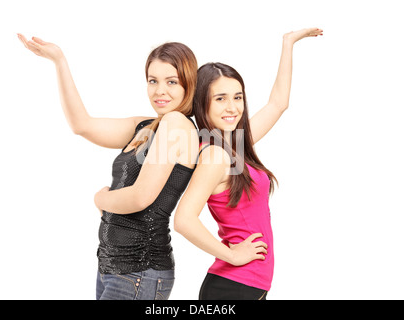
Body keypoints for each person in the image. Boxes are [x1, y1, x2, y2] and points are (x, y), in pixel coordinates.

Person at [17, 35, 200, 300]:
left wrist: (100, 198)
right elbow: (82, 125)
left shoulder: (176, 123)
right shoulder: (147, 125)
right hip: (113, 267)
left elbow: (140, 197)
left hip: (140, 270)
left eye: (171, 81)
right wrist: (59, 61)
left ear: (189, 84)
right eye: (153, 80)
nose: (160, 90)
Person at [174, 28, 323, 300]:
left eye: (238, 97)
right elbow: (184, 220)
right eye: (220, 99)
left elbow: (278, 104)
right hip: (233, 286)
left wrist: (288, 43)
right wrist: (231, 254)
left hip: (248, 284)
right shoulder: (216, 155)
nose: (232, 107)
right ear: (201, 104)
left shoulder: (234, 145)